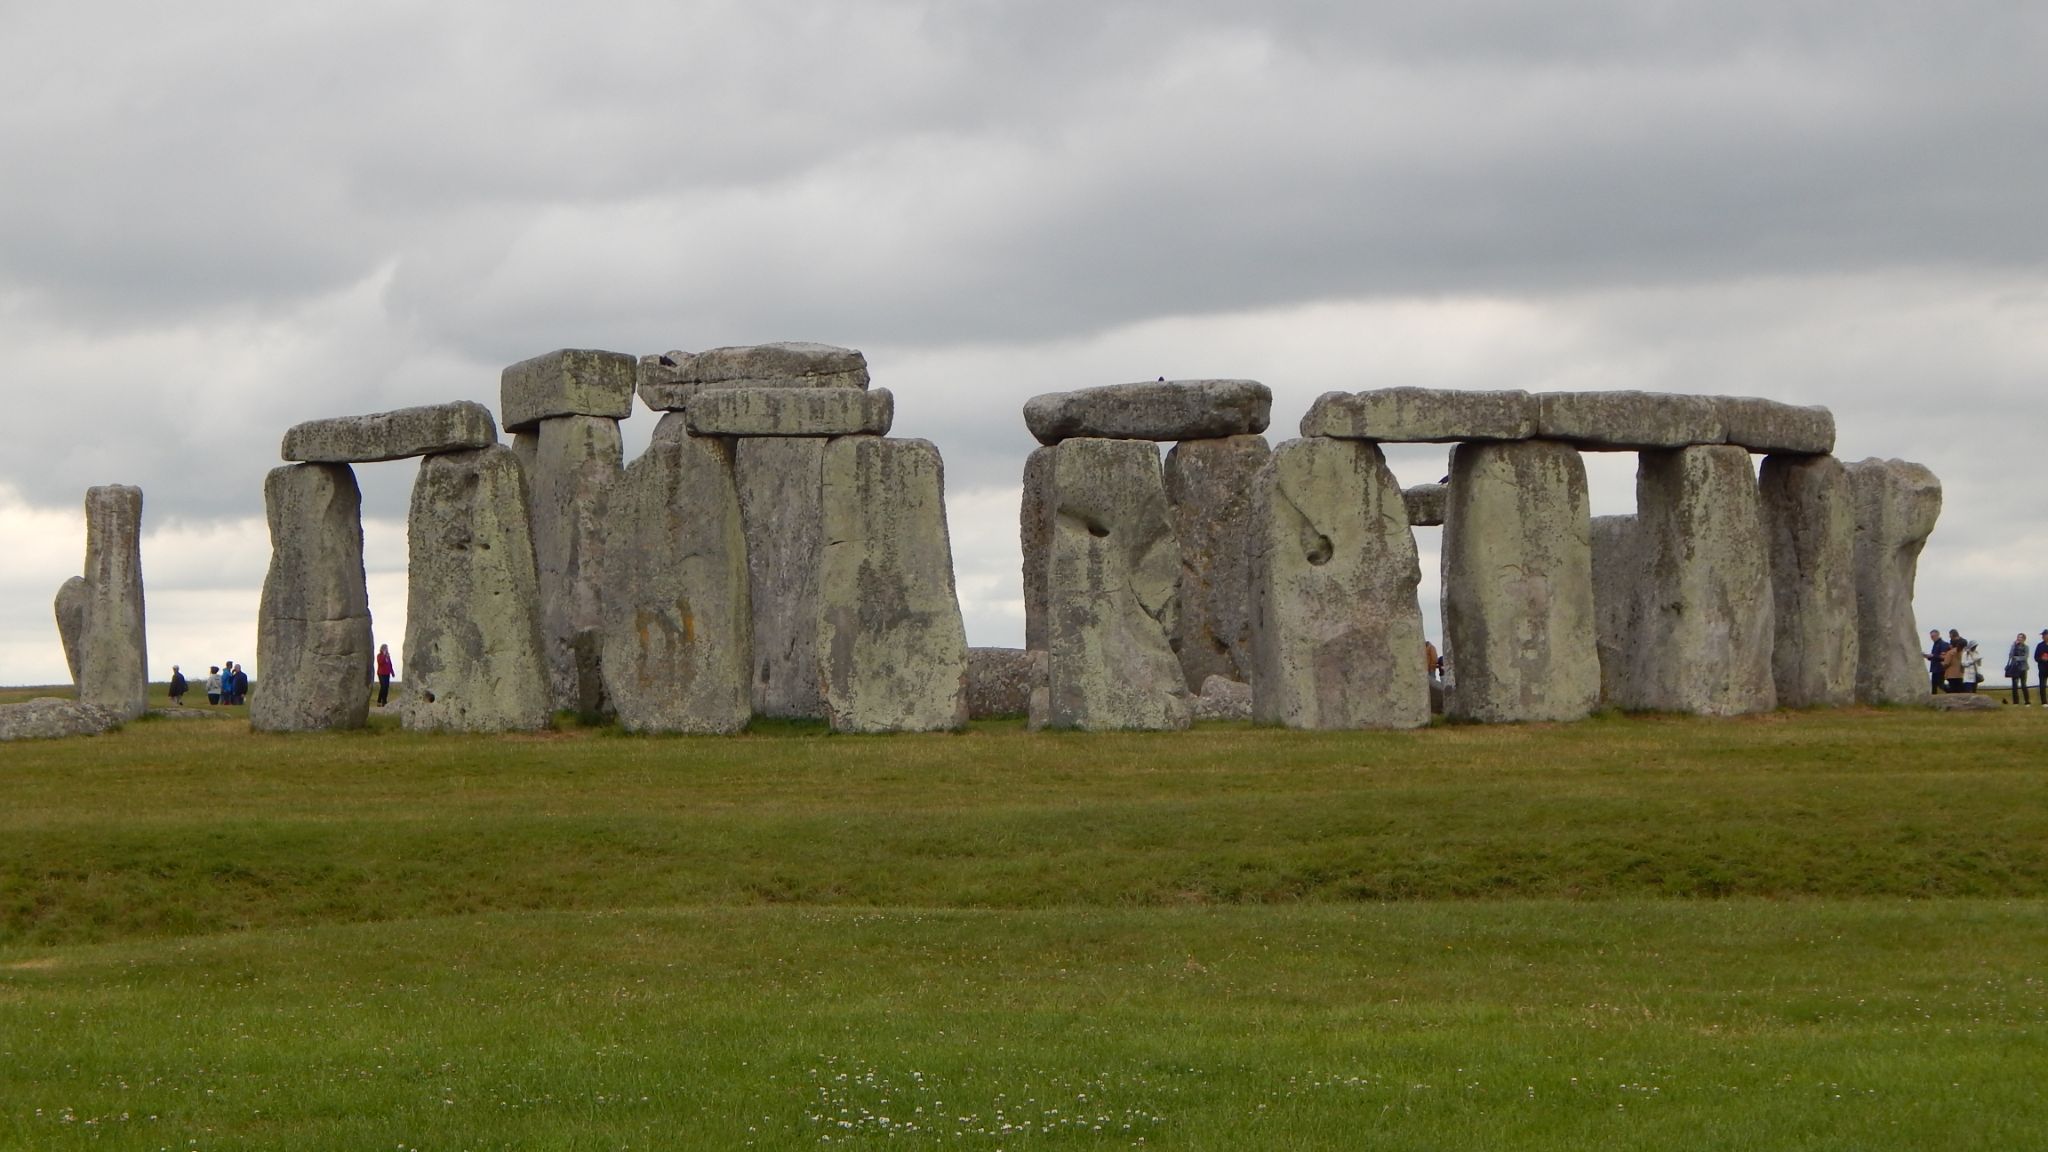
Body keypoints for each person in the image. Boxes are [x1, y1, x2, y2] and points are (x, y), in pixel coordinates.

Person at [2007, 633, 2033, 705]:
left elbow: (2025, 657)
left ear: (2024, 639)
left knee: (2023, 685)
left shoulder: (2026, 647)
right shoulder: (2014, 646)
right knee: (2015, 685)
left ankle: (2027, 701)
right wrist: (2013, 645)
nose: (2019, 639)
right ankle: (2016, 702)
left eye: (2021, 637)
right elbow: (2010, 655)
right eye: (2018, 637)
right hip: (2015, 668)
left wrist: (2017, 658)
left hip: (2023, 668)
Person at [1925, 630, 1949, 695]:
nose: (1932, 638)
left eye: (1933, 636)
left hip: (1940, 668)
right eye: (1931, 636)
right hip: (1934, 669)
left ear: (1938, 635)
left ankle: (1952, 692)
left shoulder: (1943, 644)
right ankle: (1933, 701)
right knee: (1933, 686)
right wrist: (1928, 656)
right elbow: (1935, 656)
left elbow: (1943, 657)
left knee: (1940, 685)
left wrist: (1932, 656)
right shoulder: (1935, 644)